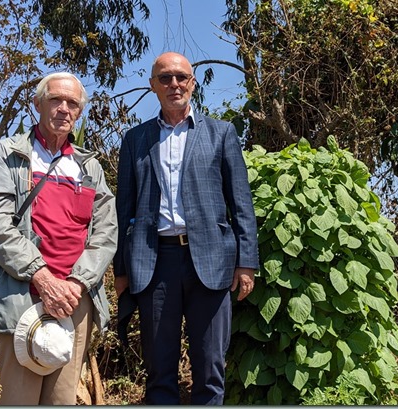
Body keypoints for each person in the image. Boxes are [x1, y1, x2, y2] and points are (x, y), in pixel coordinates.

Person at [113, 52, 259, 405]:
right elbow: (124, 209)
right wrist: (121, 269)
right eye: (165, 78)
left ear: (192, 83)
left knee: (210, 370)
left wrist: (246, 262)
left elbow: (241, 202)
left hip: (211, 263)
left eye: (181, 77)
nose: (174, 84)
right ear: (153, 86)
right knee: (159, 371)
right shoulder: (135, 140)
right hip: (155, 263)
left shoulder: (221, 133)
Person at [0, 72, 117, 405]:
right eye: (55, 100)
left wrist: (77, 285)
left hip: (74, 302)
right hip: (21, 294)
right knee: (19, 400)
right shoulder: (7, 154)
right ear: (37, 104)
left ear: (79, 112)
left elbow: (106, 231)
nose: (64, 109)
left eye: (72, 103)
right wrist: (44, 278)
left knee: (62, 400)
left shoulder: (89, 168)